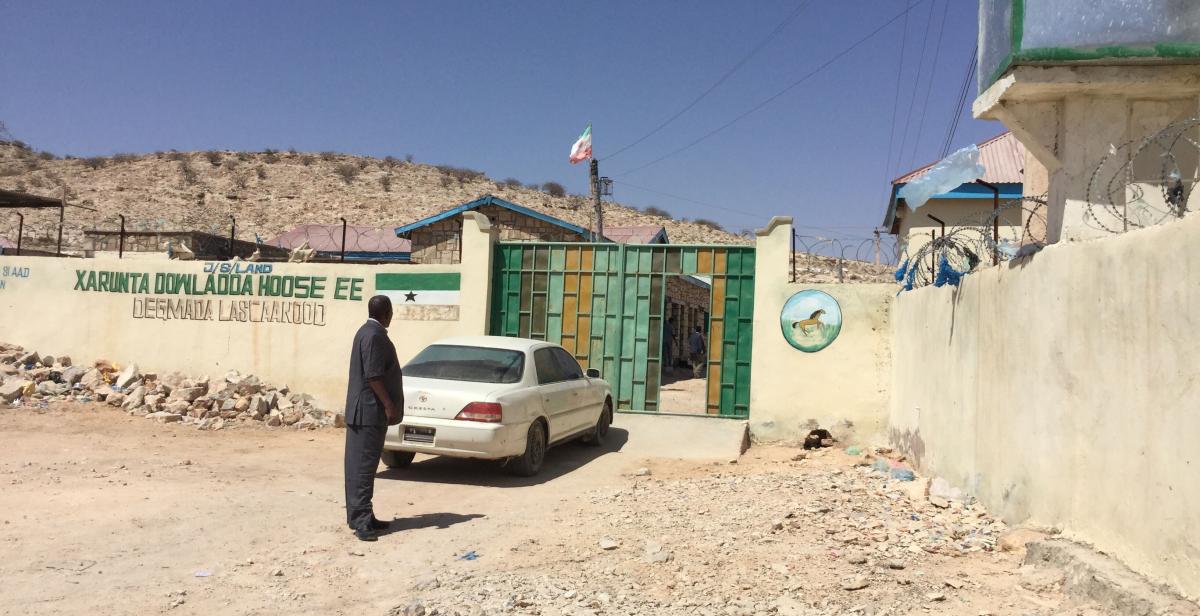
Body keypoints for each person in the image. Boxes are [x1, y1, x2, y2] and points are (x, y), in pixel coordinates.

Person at [344, 295, 404, 542]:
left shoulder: (368, 332)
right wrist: (388, 405)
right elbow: (373, 375)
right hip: (367, 412)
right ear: (387, 313)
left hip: (367, 412)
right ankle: (361, 522)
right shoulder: (374, 335)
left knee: (364, 469)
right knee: (362, 469)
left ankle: (364, 516)